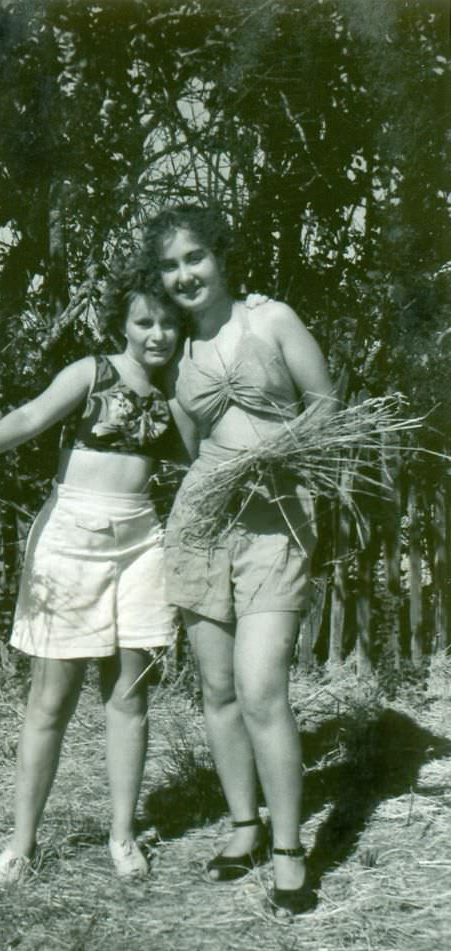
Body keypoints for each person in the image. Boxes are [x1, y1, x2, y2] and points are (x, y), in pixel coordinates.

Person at [0, 260, 197, 883]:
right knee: (50, 701)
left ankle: (123, 836)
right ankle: (22, 846)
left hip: (142, 543)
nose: (156, 334)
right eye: (144, 322)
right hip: (70, 542)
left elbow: (200, 461)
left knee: (129, 697)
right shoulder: (92, 373)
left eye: (168, 322)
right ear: (124, 324)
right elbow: (30, 418)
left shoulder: (181, 390)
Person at [142, 204, 337, 913]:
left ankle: (290, 849)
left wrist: (279, 453)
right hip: (202, 524)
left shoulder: (271, 320)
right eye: (170, 266)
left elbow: (324, 404)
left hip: (277, 519)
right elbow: (196, 451)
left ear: (221, 257)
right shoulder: (179, 355)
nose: (185, 274)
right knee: (217, 690)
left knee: (261, 687)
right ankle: (244, 824)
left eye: (195, 257)